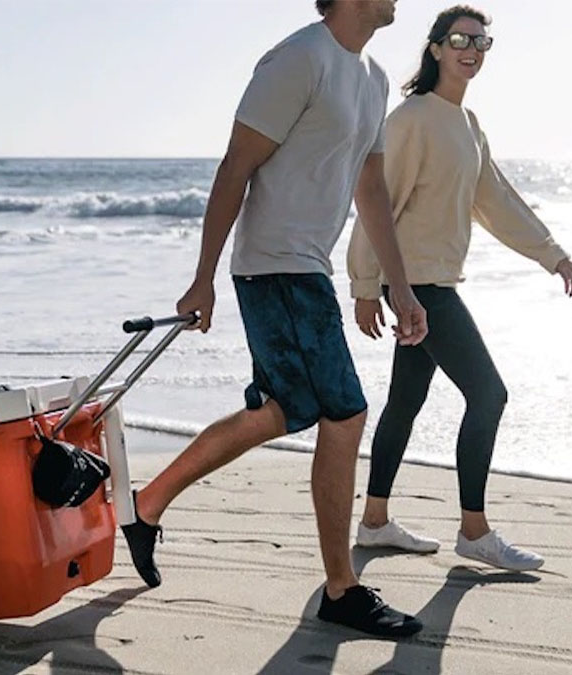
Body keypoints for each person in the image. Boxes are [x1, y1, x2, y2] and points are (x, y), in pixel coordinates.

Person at [119, 0, 430, 638]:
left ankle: (145, 506)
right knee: (344, 411)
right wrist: (203, 276)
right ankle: (340, 589)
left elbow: (368, 186)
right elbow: (236, 165)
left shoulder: (371, 78)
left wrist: (399, 286)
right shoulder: (298, 58)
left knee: (281, 411)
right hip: (274, 265)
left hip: (306, 267)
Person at [347, 4, 572, 572]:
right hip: (418, 286)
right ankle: (474, 530)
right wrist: (365, 283)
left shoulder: (468, 124)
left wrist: (552, 254)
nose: (471, 49)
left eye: (481, 41)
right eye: (459, 39)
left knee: (406, 400)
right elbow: (376, 200)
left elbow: (495, 201)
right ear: (435, 48)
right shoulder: (411, 118)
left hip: (431, 281)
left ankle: (374, 521)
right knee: (489, 394)